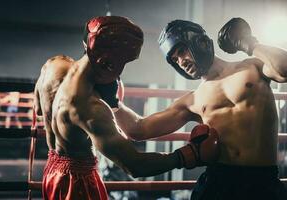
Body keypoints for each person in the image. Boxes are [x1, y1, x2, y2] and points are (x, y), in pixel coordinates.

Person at [34, 16, 220, 200]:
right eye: (123, 62)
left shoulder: (54, 66)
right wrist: (188, 155)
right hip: (78, 182)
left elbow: (39, 109)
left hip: (52, 171)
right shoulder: (92, 110)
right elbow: (135, 165)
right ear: (106, 62)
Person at [113, 18, 287, 200]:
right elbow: (139, 129)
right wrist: (111, 99)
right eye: (175, 60)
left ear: (200, 42)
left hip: (263, 181)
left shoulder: (251, 67)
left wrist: (249, 43)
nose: (181, 62)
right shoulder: (192, 100)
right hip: (219, 182)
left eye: (181, 51)